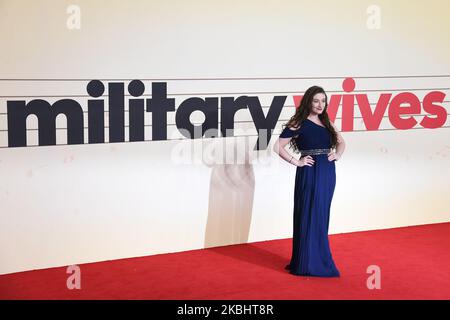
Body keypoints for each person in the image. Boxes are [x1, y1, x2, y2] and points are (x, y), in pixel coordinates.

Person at [273, 85, 346, 277]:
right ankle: (307, 262)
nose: (320, 104)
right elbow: (277, 146)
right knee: (309, 214)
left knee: (321, 215)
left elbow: (342, 142)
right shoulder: (300, 122)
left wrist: (337, 154)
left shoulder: (326, 122)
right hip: (311, 172)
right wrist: (297, 161)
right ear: (308, 101)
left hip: (328, 173)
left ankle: (315, 257)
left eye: (323, 101)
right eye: (316, 100)